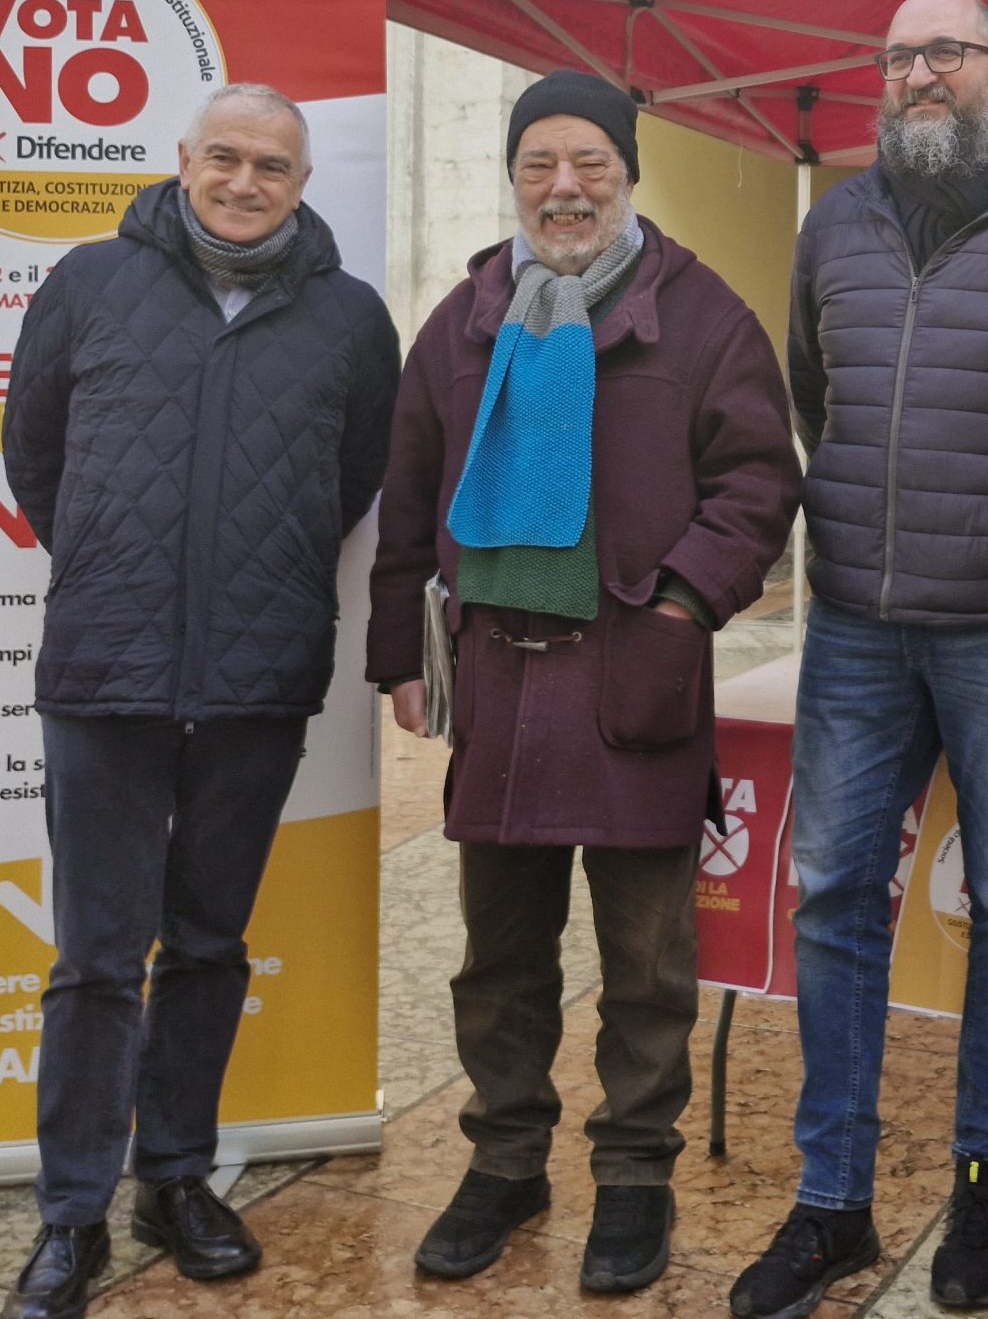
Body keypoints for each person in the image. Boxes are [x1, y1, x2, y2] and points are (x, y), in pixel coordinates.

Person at [733, 0, 988, 1319]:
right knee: (833, 900)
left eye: (947, 53)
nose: (920, 73)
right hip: (857, 623)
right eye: (900, 55)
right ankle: (832, 1202)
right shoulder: (834, 225)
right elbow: (819, 398)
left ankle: (983, 1184)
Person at [367, 69, 801, 1298]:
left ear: (627, 174)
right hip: (500, 688)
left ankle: (633, 1175)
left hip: (634, 683)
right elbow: (410, 490)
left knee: (647, 966)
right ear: (513, 180)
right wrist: (399, 653)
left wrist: (679, 607)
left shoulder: (701, 315)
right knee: (498, 959)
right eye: (538, 165)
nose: (565, 189)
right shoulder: (462, 323)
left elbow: (759, 485)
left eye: (589, 164)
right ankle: (506, 1163)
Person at [0, 84, 400, 1319]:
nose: (244, 182)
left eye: (272, 166)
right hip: (105, 672)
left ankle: (173, 1176)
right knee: (95, 960)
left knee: (211, 945)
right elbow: (34, 456)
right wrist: (119, 567)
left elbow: (349, 479)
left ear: (301, 183)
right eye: (224, 157)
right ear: (181, 162)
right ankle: (71, 1215)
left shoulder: (350, 318)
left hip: (256, 676)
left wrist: (250, 575)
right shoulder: (89, 283)